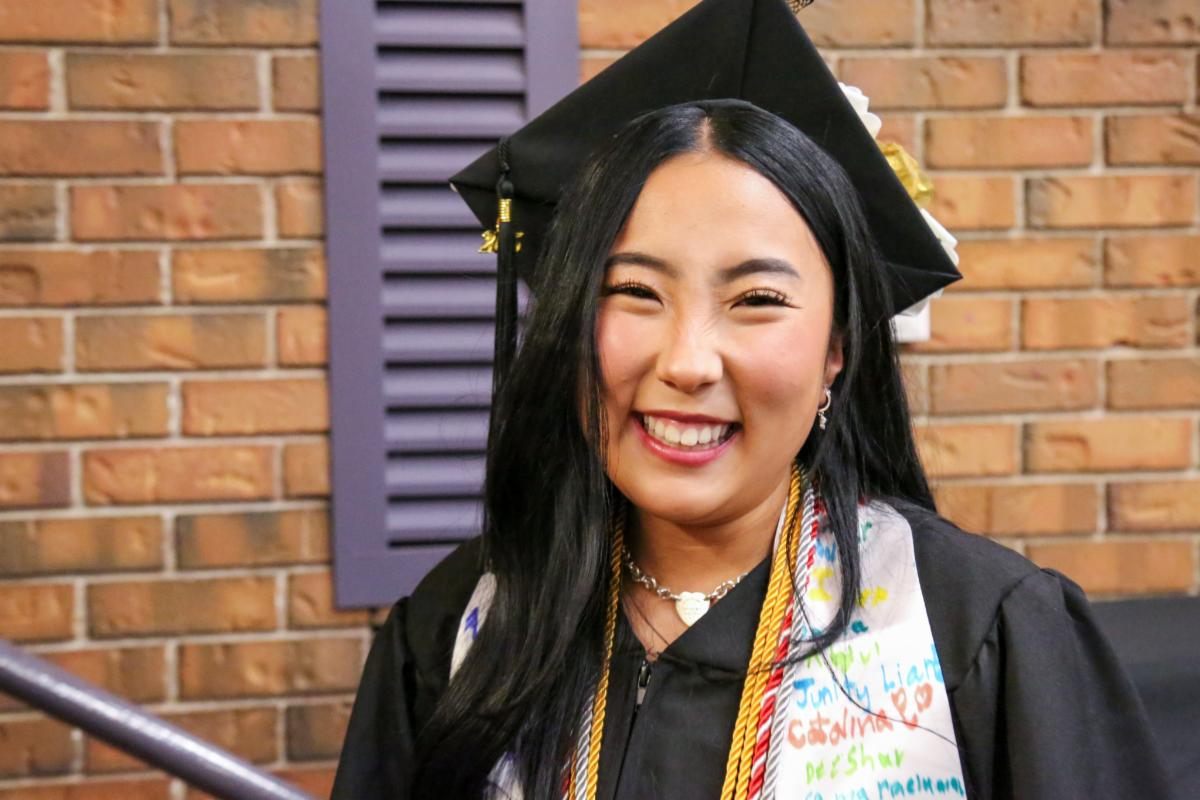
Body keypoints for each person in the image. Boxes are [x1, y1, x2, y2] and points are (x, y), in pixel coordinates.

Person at [331, 1, 1172, 798]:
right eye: (634, 291)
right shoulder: (463, 629)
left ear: (838, 349)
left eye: (758, 300)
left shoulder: (976, 632)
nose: (687, 363)